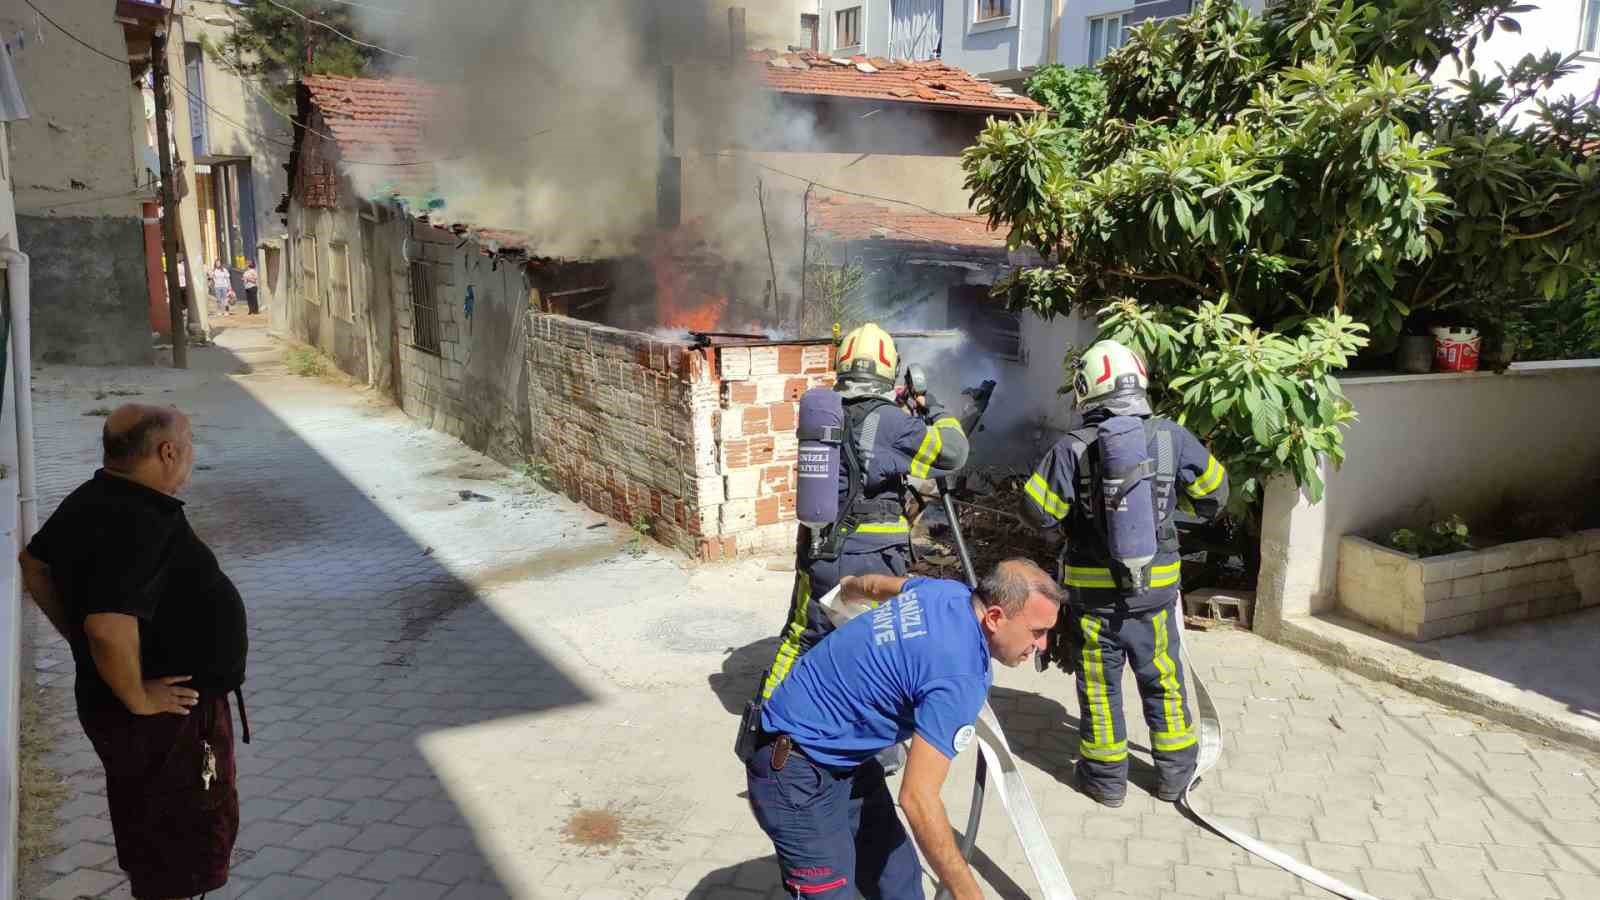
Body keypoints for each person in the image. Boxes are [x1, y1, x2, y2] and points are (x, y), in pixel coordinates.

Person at [19, 404, 249, 900]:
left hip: (132, 707)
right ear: (168, 451)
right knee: (179, 843)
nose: (190, 454)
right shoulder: (141, 522)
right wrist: (138, 695)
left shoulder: (96, 494)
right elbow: (107, 626)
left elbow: (34, 565)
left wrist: (82, 644)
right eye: (188, 445)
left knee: (151, 829)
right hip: (166, 718)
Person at [745, 559, 1062, 900]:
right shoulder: (958, 677)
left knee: (898, 882)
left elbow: (873, 586)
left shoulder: (947, 592)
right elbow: (917, 799)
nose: (1043, 646)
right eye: (1037, 632)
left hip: (843, 756)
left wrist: (847, 588)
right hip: (793, 769)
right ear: (995, 618)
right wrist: (969, 894)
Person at [1020, 339, 1229, 807]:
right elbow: (1216, 495)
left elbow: (1036, 511)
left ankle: (1105, 782)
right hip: (1155, 594)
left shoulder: (1072, 448)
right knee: (1165, 681)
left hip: (1093, 600)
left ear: (1086, 390)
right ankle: (1176, 776)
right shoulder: (1171, 437)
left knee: (1098, 685)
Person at [760, 322, 974, 700]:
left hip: (818, 548)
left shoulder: (823, 413)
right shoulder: (890, 421)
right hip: (871, 560)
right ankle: (864, 741)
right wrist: (933, 406)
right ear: (888, 370)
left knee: (801, 635)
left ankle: (769, 718)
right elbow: (953, 453)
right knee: (874, 647)